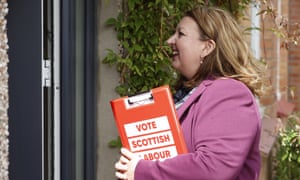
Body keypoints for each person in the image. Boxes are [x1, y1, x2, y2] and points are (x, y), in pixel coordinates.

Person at [114, 6, 268, 180]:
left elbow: (213, 168)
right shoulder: (189, 95)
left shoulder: (229, 93)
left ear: (207, 47)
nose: (170, 41)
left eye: (181, 34)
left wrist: (142, 170)